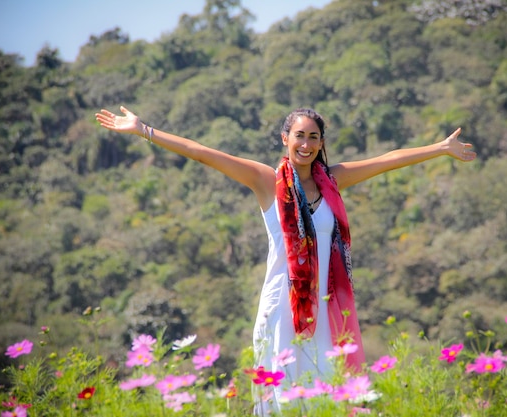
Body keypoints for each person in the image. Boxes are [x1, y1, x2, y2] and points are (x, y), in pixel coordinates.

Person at [95, 106, 476, 414]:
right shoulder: (265, 181)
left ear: (321, 142)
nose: (306, 144)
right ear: (285, 139)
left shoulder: (332, 181)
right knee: (282, 396)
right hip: (283, 309)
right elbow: (203, 153)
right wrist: (144, 129)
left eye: (313, 137)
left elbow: (388, 160)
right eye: (299, 136)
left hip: (325, 313)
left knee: (326, 393)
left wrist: (439, 148)